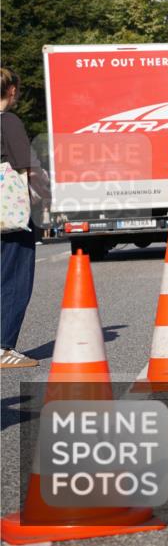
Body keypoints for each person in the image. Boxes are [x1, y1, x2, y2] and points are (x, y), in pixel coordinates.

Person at [1, 67, 38, 368]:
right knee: (14, 278)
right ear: (11, 91)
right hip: (9, 215)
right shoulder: (8, 121)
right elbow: (25, 163)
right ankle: (3, 347)